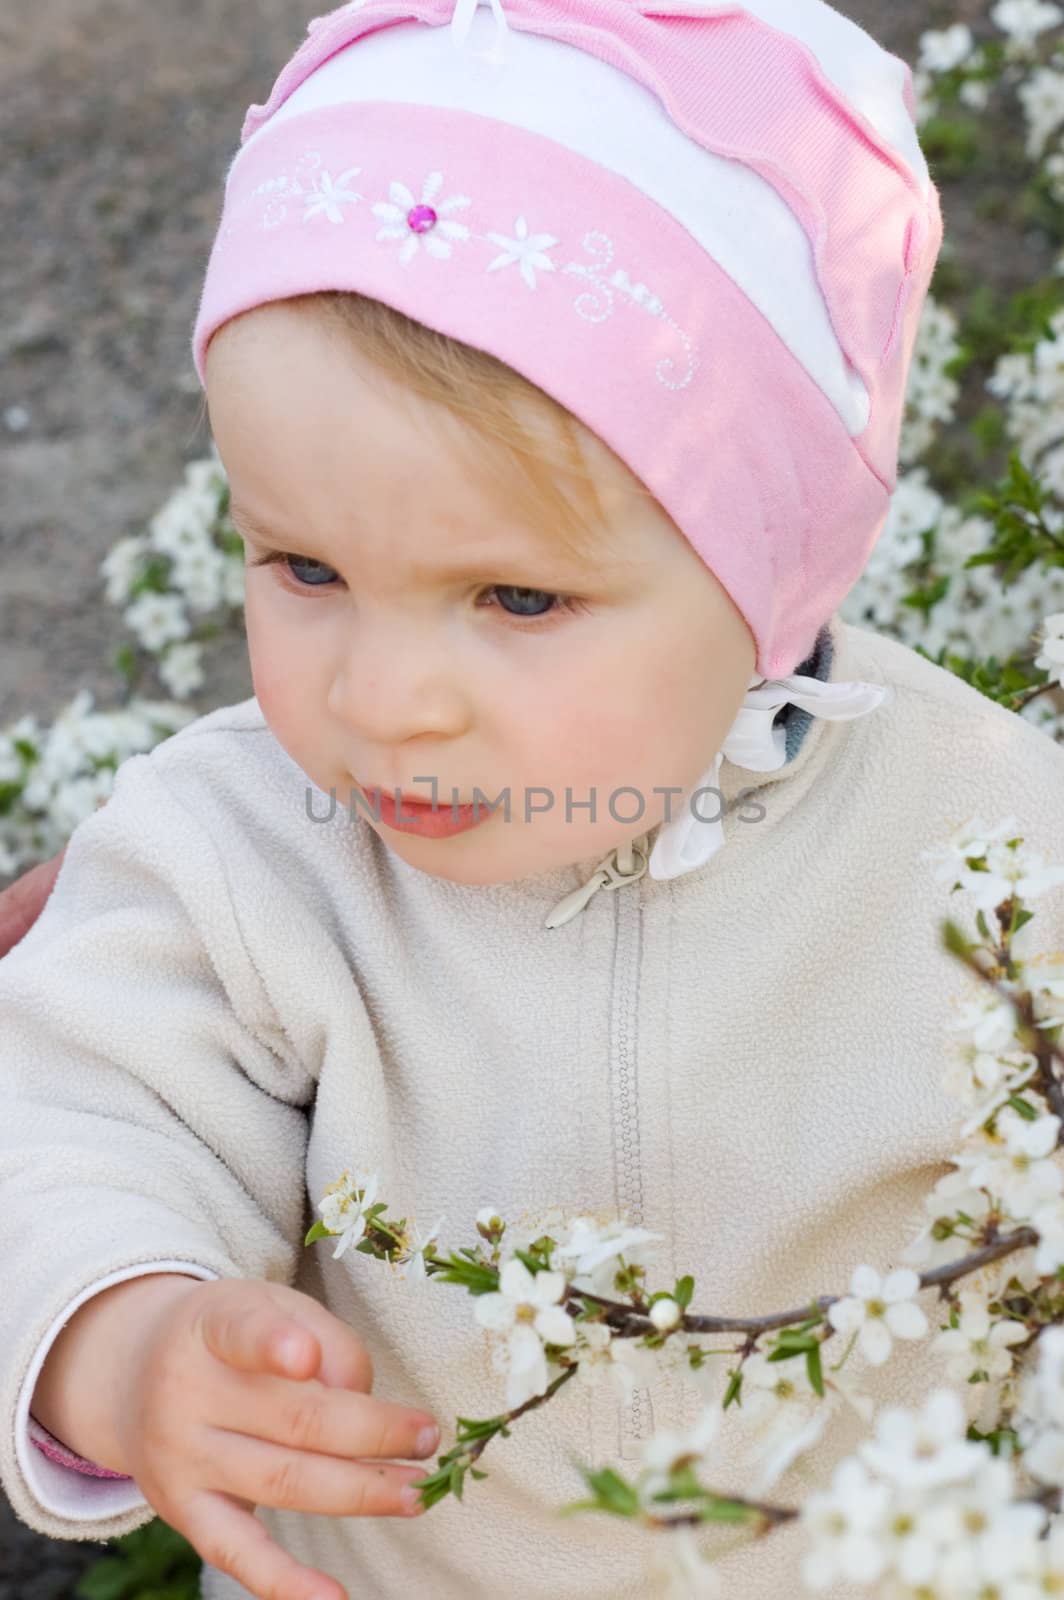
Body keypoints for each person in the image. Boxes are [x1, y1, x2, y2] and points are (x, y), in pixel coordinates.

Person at [2, 2, 1063, 1598]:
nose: (382, 700)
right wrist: (126, 1331)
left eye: (514, 599)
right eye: (304, 567)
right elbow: (72, 1115)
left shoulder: (981, 839)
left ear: (763, 567)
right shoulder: (242, 853)